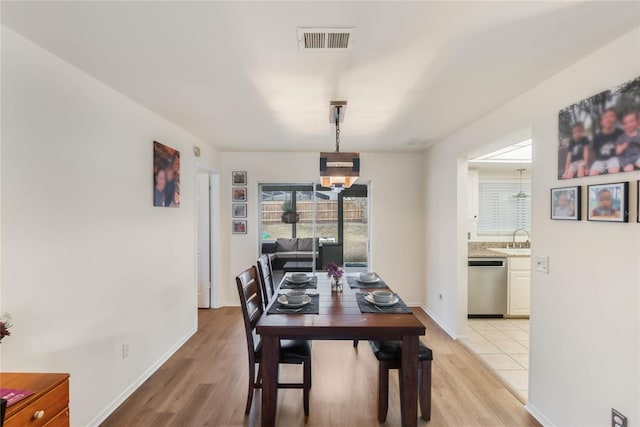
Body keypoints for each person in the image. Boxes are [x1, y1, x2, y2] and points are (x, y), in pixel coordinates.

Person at [589, 108, 623, 175]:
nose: (609, 119)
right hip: (599, 160)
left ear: (615, 119)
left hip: (614, 158)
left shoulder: (620, 132)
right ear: (601, 122)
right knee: (592, 173)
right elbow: (594, 151)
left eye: (612, 116)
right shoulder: (597, 136)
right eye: (606, 117)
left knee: (614, 170)